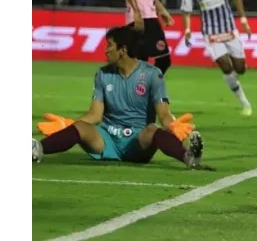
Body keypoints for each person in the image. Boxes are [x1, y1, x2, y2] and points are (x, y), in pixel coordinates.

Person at [33, 26, 204, 169]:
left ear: (122, 50)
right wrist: (67, 125)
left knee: (152, 129)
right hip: (107, 139)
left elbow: (163, 114)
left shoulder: (152, 74)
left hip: (137, 141)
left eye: (109, 45)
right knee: (80, 127)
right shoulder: (103, 74)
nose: (105, 50)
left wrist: (172, 124)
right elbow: (94, 115)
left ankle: (188, 157)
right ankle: (37, 149)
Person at [181, 0, 254, 116]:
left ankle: (230, 78)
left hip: (229, 28)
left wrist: (243, 19)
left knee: (240, 68)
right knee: (225, 64)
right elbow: (186, 10)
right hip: (211, 32)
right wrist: (187, 29)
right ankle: (244, 101)